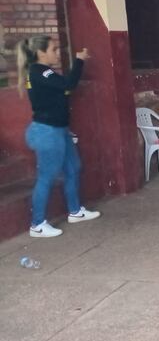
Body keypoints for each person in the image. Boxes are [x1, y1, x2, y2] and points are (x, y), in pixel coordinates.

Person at [16, 36, 101, 238]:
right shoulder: (40, 72)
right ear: (41, 53)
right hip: (47, 132)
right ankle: (37, 224)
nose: (57, 53)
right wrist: (79, 60)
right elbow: (69, 84)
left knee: (73, 168)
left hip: (59, 129)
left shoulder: (42, 72)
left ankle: (75, 211)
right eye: (53, 49)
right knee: (46, 177)